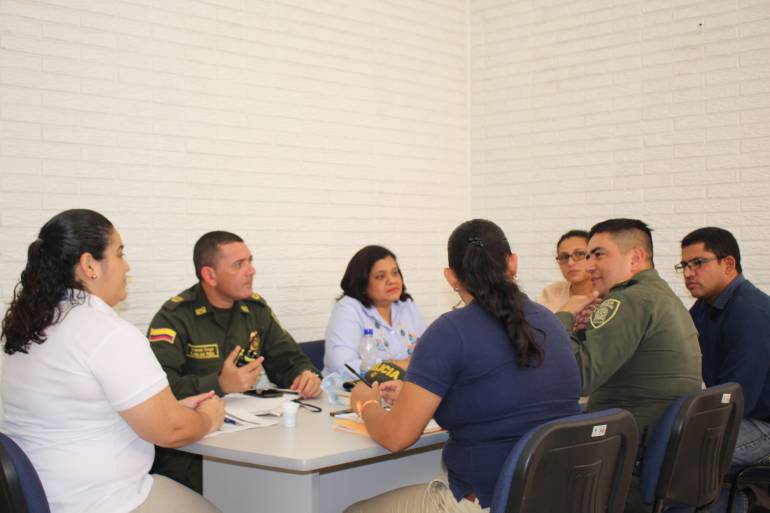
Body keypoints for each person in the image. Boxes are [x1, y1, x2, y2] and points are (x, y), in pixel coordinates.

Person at [344, 219, 581, 513]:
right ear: (513, 263)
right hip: (557, 496)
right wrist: (415, 395)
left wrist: (366, 403)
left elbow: (395, 437)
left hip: (488, 501)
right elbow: (501, 391)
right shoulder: (551, 322)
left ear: (451, 276)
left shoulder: (449, 331)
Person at [0, 209, 224, 513]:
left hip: (43, 498)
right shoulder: (106, 332)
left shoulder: (25, 327)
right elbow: (171, 431)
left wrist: (168, 408)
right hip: (106, 501)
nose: (127, 266)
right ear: (90, 265)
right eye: (119, 254)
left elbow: (74, 412)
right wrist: (208, 418)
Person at [146, 230, 321, 492]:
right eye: (239, 265)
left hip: (251, 434)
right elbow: (160, 393)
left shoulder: (255, 310)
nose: (251, 271)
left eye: (250, 261)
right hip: (194, 449)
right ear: (209, 275)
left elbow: (288, 358)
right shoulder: (175, 317)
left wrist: (304, 375)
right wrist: (219, 384)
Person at [557, 218, 702, 513]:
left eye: (599, 255)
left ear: (635, 257)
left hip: (625, 461)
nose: (589, 266)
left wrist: (563, 318)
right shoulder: (660, 296)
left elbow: (578, 377)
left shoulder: (629, 300)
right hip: (661, 458)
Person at [679, 227, 770, 513]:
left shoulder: (751, 311)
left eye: (698, 263)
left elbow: (741, 395)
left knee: (693, 453)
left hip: (763, 423)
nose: (688, 273)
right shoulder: (703, 309)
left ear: (728, 264)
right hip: (743, 416)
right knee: (672, 443)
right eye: (684, 265)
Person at [323, 245, 427, 378]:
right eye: (380, 276)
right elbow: (343, 366)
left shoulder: (407, 306)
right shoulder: (348, 309)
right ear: (363, 283)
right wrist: (399, 366)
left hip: (401, 391)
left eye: (395, 273)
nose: (392, 281)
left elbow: (429, 353)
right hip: (350, 393)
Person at [537, 229, 593, 312]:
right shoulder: (550, 293)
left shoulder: (610, 294)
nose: (570, 263)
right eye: (564, 257)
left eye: (579, 254)